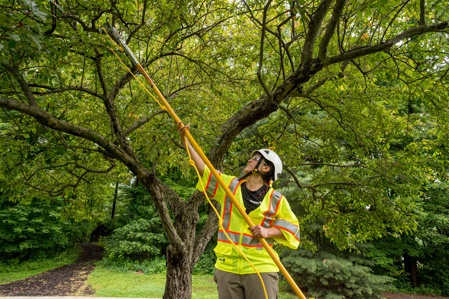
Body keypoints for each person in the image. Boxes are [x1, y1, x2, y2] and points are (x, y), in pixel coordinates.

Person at [178, 123, 300, 299]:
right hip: (227, 267)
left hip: (261, 268)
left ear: (266, 168)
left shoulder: (277, 200)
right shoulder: (229, 186)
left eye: (256, 159)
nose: (250, 160)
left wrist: (267, 231)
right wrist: (186, 141)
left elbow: (293, 231)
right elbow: (203, 169)